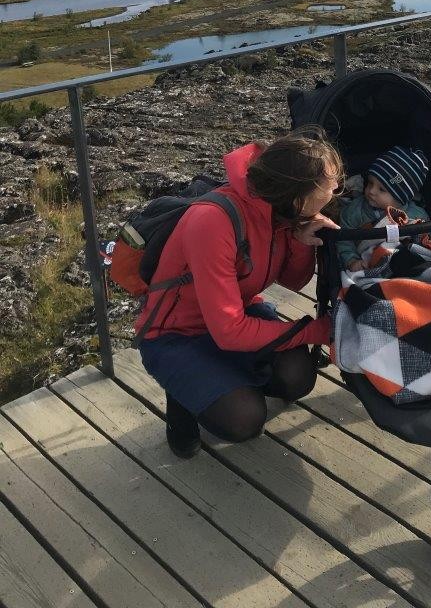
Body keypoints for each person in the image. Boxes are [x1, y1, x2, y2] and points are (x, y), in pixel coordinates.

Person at [135, 129, 342, 458]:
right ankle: (183, 399)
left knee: (298, 377)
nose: (336, 191)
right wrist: (315, 330)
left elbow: (292, 282)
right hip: (174, 334)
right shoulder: (214, 221)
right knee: (244, 419)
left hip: (235, 314)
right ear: (300, 194)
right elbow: (230, 331)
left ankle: (220, 380)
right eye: (332, 185)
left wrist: (302, 242)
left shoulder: (281, 212)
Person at [337, 145, 429, 271]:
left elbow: (429, 234)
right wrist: (351, 260)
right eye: (370, 183)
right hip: (366, 264)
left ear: (401, 197)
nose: (371, 191)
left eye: (382, 189)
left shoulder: (417, 216)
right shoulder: (355, 211)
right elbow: (343, 239)